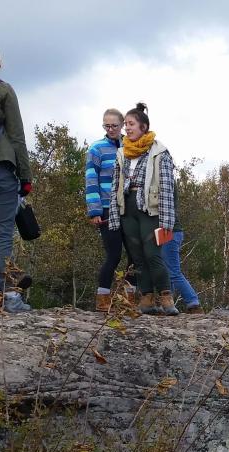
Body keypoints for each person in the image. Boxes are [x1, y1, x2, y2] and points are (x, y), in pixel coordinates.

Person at [108, 102, 178, 315]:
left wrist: (167, 221)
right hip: (128, 208)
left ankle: (166, 297)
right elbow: (115, 185)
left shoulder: (160, 152)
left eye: (131, 124)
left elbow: (167, 187)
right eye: (126, 124)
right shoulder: (122, 152)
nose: (127, 128)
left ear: (143, 127)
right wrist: (113, 215)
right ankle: (146, 298)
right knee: (137, 256)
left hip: (151, 209)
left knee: (152, 254)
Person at [0, 43, 32, 311]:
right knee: (1, 235)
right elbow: (17, 136)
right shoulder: (2, 89)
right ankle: (10, 298)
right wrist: (26, 176)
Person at [85, 108, 137, 311]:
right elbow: (91, 180)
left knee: (135, 255)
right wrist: (95, 210)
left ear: (122, 124)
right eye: (106, 125)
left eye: (114, 125)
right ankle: (103, 298)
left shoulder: (131, 145)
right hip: (107, 208)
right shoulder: (96, 148)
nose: (111, 129)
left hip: (129, 207)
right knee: (114, 254)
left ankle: (130, 299)